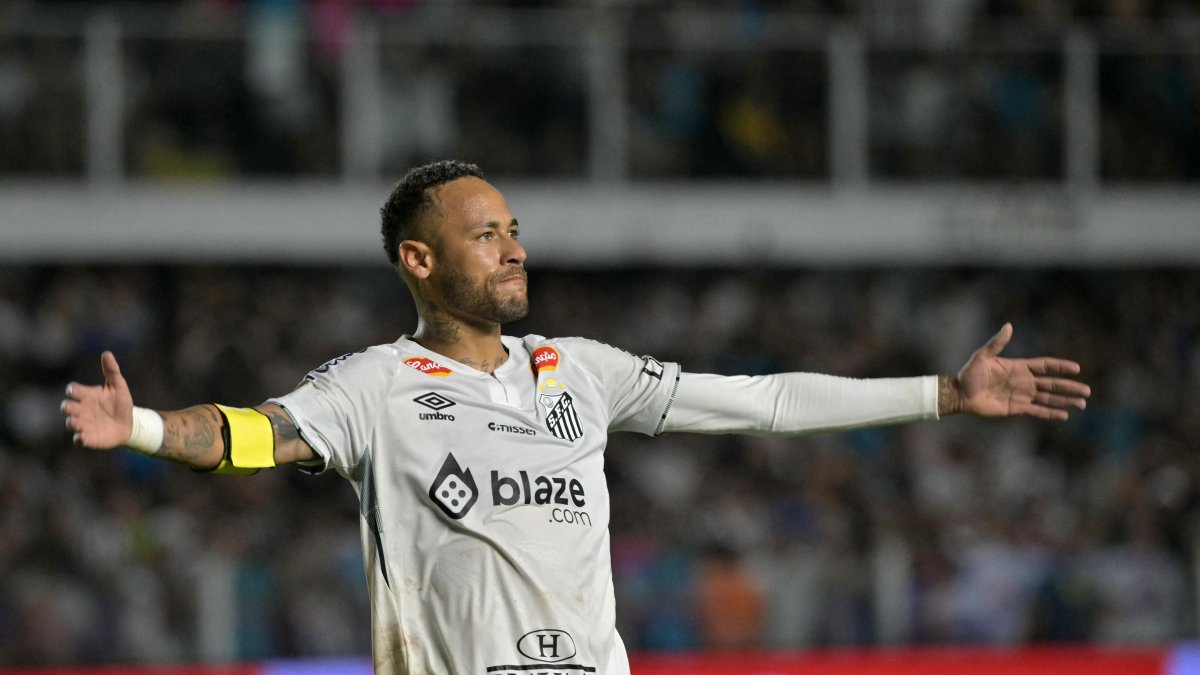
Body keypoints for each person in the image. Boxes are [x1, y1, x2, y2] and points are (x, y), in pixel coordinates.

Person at [61, 160, 1091, 674]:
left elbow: (766, 402)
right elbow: (253, 434)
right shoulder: (375, 386)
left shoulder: (583, 372)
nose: (513, 249)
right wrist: (146, 427)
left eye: (514, 230)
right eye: (483, 235)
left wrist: (945, 395)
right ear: (418, 261)